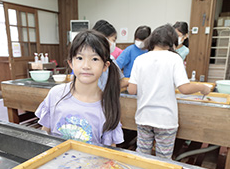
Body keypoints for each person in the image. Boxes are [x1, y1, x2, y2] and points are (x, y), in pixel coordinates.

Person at [127, 24, 211, 159]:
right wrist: (202, 88)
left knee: (142, 157)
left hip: (144, 117)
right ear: (172, 41)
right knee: (164, 159)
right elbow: (184, 88)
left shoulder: (140, 59)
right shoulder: (174, 58)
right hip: (165, 120)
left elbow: (131, 90)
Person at [35, 30, 124, 147]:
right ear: (71, 63)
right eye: (80, 58)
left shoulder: (108, 105)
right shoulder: (55, 94)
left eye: (95, 59)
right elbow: (44, 135)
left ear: (105, 66)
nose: (86, 66)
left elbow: (109, 153)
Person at [92, 19, 128, 90]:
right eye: (113, 40)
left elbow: (119, 81)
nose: (114, 43)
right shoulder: (90, 60)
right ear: (103, 39)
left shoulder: (110, 58)